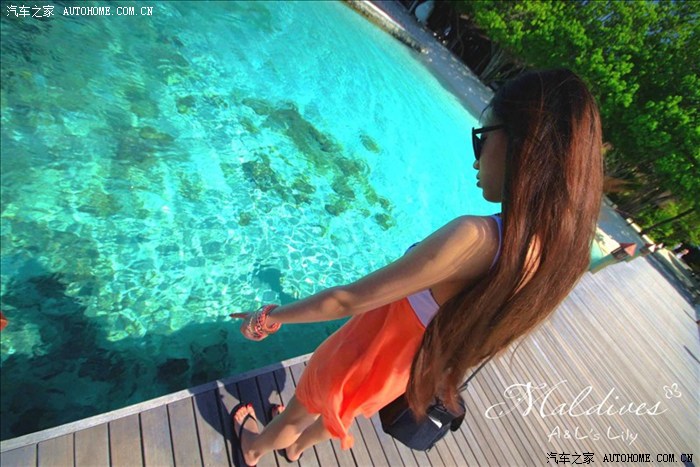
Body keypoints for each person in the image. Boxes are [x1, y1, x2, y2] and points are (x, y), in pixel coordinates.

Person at [229, 68, 604, 466]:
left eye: (482, 139)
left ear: (522, 147)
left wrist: (269, 317)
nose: (476, 159)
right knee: (345, 408)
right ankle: (296, 448)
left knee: (298, 412)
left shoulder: (476, 238)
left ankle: (255, 447)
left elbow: (346, 301)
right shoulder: (551, 258)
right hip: (403, 369)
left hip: (365, 349)